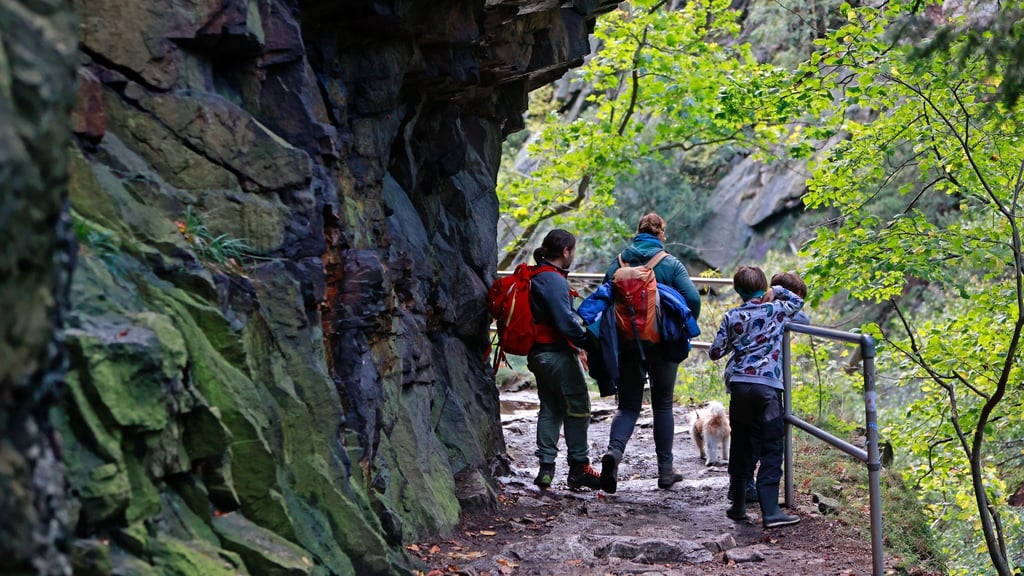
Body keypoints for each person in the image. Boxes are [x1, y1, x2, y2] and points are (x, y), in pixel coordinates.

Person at [599, 213, 702, 493]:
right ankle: (666, 471)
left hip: (628, 343)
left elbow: (604, 296)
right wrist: (679, 325)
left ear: (637, 232)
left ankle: (614, 454)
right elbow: (692, 298)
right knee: (663, 404)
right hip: (664, 343)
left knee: (628, 406)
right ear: (661, 234)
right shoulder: (669, 263)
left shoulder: (620, 261)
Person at [708, 265, 804, 528]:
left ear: (737, 290)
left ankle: (738, 506)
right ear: (764, 286)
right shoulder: (775, 310)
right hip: (767, 389)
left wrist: (736, 343)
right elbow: (798, 301)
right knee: (772, 446)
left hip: (740, 387)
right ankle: (771, 511)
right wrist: (778, 291)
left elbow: (715, 352)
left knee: (741, 443)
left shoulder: (731, 316)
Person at [527, 229, 601, 491]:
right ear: (566, 252)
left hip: (537, 354)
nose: (573, 255)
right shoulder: (554, 279)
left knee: (550, 407)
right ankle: (579, 468)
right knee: (578, 406)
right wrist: (588, 342)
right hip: (556, 353)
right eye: (573, 251)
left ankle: (546, 469)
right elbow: (564, 321)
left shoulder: (536, 276)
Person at [729, 271, 810, 505]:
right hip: (766, 384)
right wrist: (782, 298)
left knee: (745, 438)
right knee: (766, 441)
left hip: (741, 381)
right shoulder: (777, 312)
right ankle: (762, 500)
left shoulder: (748, 311)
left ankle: (740, 490)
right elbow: (804, 320)